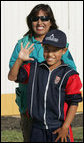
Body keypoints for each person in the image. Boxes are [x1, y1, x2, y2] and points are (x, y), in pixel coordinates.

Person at [9, 4, 77, 142]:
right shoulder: (23, 44)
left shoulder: (62, 46)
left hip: (56, 113)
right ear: (31, 21)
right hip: (33, 112)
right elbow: (13, 75)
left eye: (45, 18)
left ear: (50, 21)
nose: (40, 22)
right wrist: (20, 60)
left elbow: (71, 76)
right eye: (35, 18)